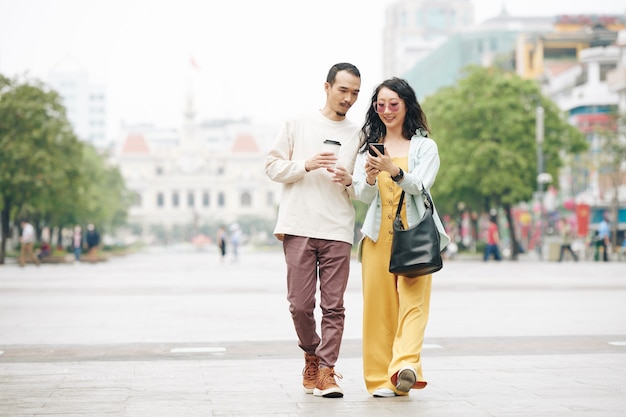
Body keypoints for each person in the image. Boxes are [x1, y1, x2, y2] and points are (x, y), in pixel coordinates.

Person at [265, 62, 362, 398]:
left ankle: (326, 371)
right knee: (301, 305)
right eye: (343, 90)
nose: (349, 98)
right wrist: (304, 165)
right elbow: (272, 166)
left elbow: (365, 187)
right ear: (327, 87)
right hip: (299, 224)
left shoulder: (359, 133)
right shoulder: (297, 123)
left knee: (334, 306)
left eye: (355, 93)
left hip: (337, 228)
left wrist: (351, 180)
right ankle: (310, 354)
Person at [351, 77, 449, 398]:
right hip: (378, 236)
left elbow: (421, 184)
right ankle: (380, 379)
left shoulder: (425, 147)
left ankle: (404, 367)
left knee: (414, 304)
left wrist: (393, 170)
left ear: (407, 104)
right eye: (381, 105)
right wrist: (367, 177)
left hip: (416, 233)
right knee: (378, 309)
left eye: (394, 104)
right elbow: (364, 196)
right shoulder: (370, 147)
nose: (387, 110)